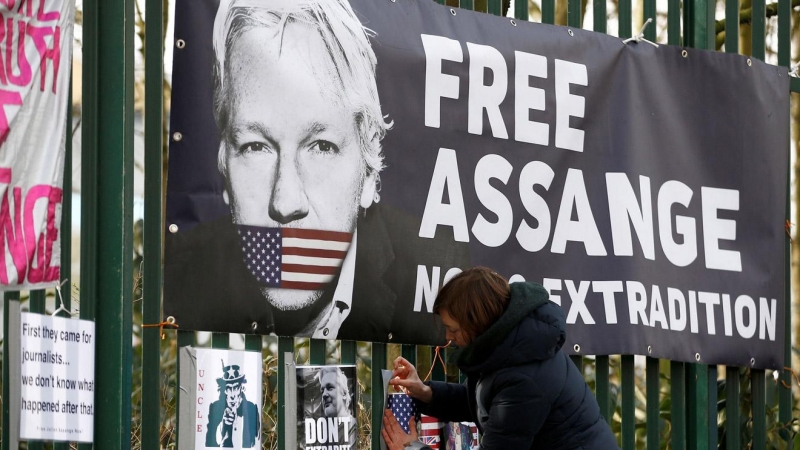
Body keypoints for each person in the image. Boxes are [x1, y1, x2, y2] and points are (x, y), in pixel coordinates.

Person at [163, 0, 469, 344]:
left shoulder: (438, 267)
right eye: (255, 146)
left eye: (321, 146)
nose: (286, 201)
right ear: (223, 162)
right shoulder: (181, 272)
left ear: (368, 172)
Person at [381, 267, 619, 449]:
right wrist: (425, 392)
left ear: (477, 324)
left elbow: (505, 404)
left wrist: (412, 446)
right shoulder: (511, 346)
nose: (448, 337)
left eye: (453, 329)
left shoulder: (523, 377)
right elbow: (482, 401)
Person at [206, 364, 260, 448]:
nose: (232, 394)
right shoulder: (215, 408)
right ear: (224, 390)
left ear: (241, 388)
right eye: (228, 388)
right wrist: (223, 425)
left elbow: (256, 443)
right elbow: (209, 442)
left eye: (235, 388)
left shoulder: (251, 408)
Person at [316, 366, 357, 446]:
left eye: (330, 388)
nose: (324, 394)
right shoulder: (320, 432)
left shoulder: (354, 428)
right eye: (322, 391)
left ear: (344, 394)